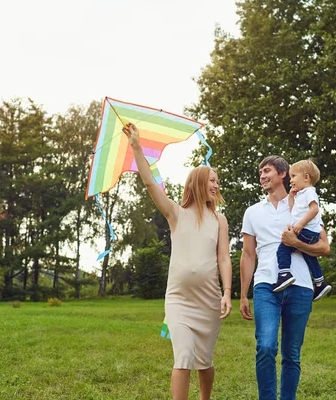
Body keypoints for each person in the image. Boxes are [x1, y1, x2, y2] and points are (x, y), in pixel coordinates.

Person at [122, 123, 232, 400]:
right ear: (197, 183)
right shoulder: (175, 214)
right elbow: (149, 182)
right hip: (179, 300)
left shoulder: (219, 220)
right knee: (183, 356)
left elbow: (223, 258)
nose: (217, 185)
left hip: (208, 300)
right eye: (212, 180)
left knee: (204, 361)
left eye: (217, 181)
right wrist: (136, 146)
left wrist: (228, 293)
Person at [239, 155, 330, 400]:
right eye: (260, 172)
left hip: (300, 287)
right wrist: (243, 294)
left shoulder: (301, 206)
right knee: (266, 347)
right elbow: (248, 255)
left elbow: (324, 247)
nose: (262, 176)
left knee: (292, 354)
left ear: (282, 174)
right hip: (266, 286)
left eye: (266, 170)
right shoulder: (253, 212)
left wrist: (296, 242)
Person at [273, 159, 332, 301]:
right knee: (308, 255)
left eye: (293, 176)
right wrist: (292, 197)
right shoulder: (301, 195)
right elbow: (294, 211)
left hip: (306, 231)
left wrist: (299, 225)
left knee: (283, 249)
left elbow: (314, 210)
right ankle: (320, 282)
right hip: (310, 233)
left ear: (306, 177)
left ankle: (284, 274)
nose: (291, 180)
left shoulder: (309, 192)